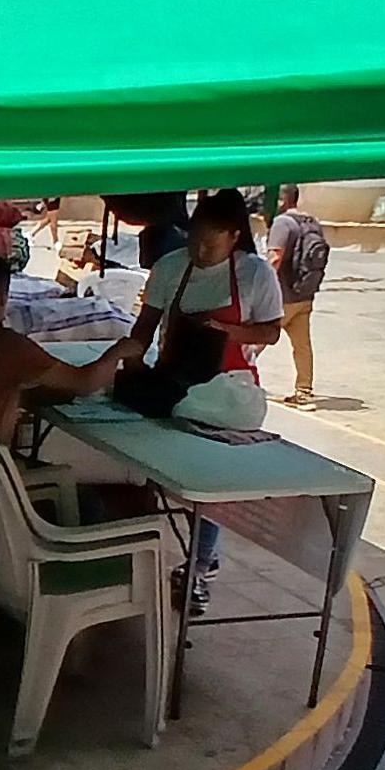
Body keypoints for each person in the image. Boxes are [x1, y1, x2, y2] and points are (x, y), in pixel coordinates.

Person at [127, 189, 283, 610]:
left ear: (234, 237)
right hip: (174, 381)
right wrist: (129, 362)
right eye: (194, 239)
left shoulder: (254, 275)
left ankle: (199, 566)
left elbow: (270, 331)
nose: (199, 250)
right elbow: (144, 327)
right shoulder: (171, 267)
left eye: (210, 244)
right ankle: (135, 550)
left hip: (227, 392)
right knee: (146, 466)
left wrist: (223, 330)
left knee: (208, 488)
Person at [0, 253, 143, 463]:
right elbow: (85, 382)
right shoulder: (7, 346)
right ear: (2, 298)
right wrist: (118, 352)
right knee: (86, 499)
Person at [266, 185, 325, 410]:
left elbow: (275, 258)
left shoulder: (282, 223)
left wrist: (262, 288)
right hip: (305, 293)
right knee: (302, 345)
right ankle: (304, 391)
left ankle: (239, 380)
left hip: (283, 295)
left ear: (282, 198)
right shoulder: (311, 222)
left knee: (257, 338)